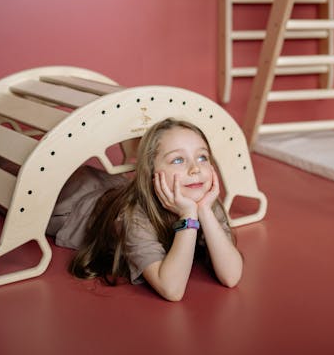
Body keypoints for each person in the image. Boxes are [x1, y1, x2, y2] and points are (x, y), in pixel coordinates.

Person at [45, 118, 243, 301]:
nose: (195, 169)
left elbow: (231, 276)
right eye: (178, 160)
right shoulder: (135, 215)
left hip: (111, 189)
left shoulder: (204, 202)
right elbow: (172, 288)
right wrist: (188, 216)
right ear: (151, 172)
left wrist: (205, 212)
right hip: (75, 205)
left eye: (202, 157)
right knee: (36, 184)